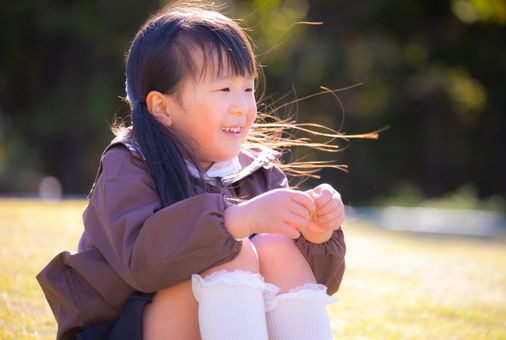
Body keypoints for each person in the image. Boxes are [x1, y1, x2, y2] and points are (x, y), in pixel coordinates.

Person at [37, 2, 347, 340]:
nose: (242, 106)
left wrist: (316, 235)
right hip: (131, 325)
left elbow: (317, 283)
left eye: (248, 89)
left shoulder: (258, 170)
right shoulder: (128, 165)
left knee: (276, 247)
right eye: (223, 90)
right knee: (232, 253)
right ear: (162, 108)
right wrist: (235, 221)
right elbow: (142, 262)